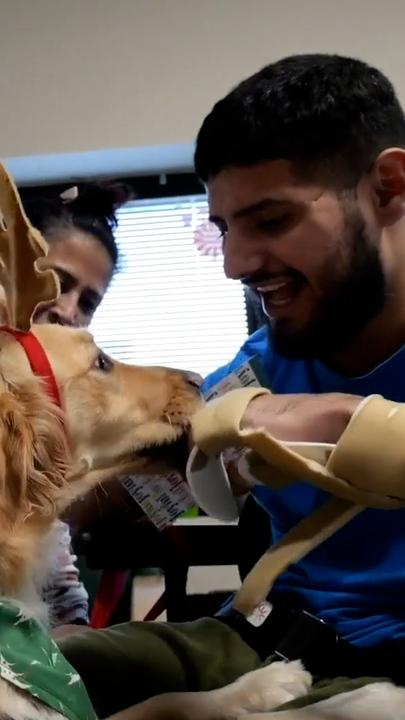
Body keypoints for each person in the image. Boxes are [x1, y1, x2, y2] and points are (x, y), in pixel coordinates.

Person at [59, 54, 405, 716]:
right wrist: (181, 459)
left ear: (388, 187)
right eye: (224, 229)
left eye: (271, 221)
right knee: (32, 667)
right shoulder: (263, 365)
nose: (236, 264)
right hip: (254, 639)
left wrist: (338, 424)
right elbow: (118, 504)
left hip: (387, 675)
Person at [22, 181, 131, 630]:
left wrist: (79, 646)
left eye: (88, 301)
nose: (69, 311)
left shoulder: (52, 411)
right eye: (59, 283)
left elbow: (55, 563)